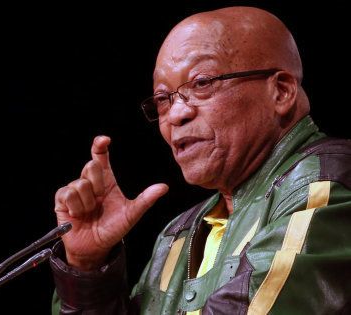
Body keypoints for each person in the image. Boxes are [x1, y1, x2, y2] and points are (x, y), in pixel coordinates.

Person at [49, 6, 351, 315]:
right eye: (163, 99)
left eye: (202, 82)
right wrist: (87, 270)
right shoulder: (179, 234)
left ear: (281, 92)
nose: (176, 114)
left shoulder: (328, 185)